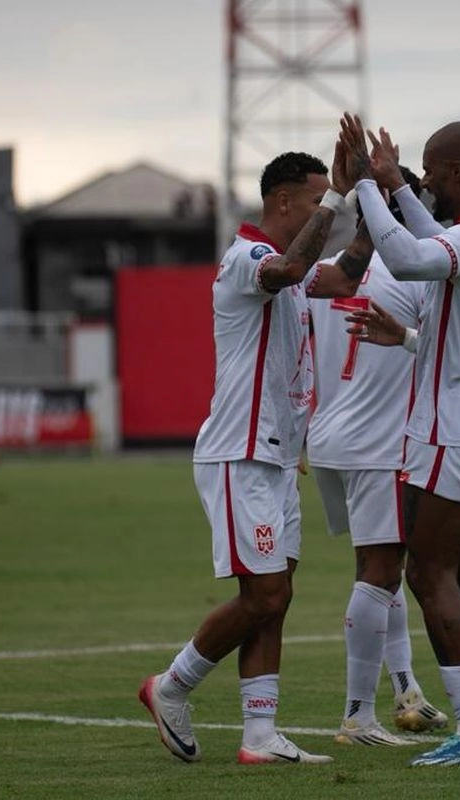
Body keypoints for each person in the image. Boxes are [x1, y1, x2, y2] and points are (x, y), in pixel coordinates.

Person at [138, 148, 361, 766]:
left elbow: (342, 277)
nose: (327, 210)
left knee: (278, 593)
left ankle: (260, 736)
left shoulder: (293, 263)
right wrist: (343, 196)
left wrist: (374, 198)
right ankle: (171, 687)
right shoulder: (248, 258)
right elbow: (288, 271)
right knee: (263, 595)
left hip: (277, 457)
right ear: (283, 200)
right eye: (318, 200)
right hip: (240, 450)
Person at [338, 115, 460, 766]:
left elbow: (409, 257)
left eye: (428, 171)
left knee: (428, 571)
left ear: (455, 171)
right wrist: (392, 192)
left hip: (458, 425)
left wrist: (372, 185)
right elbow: (435, 240)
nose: (424, 183)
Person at [306, 167, 447, 747]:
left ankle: (408, 692)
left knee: (378, 572)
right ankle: (357, 717)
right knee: (382, 573)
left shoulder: (326, 273)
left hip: (331, 438)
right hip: (384, 442)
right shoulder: (417, 273)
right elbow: (445, 349)